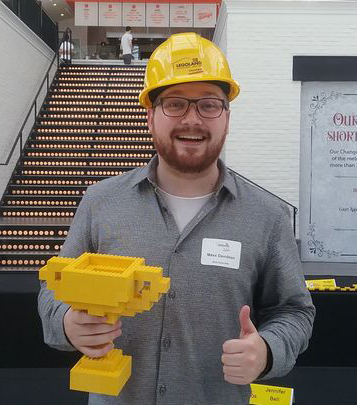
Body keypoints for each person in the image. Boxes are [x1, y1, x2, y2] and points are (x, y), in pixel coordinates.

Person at [38, 32, 315, 405]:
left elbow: (294, 311)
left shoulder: (267, 216)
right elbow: (53, 291)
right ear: (150, 117)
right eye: (175, 104)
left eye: (209, 105)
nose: (192, 119)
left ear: (227, 118)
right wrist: (68, 324)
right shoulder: (100, 201)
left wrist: (267, 350)